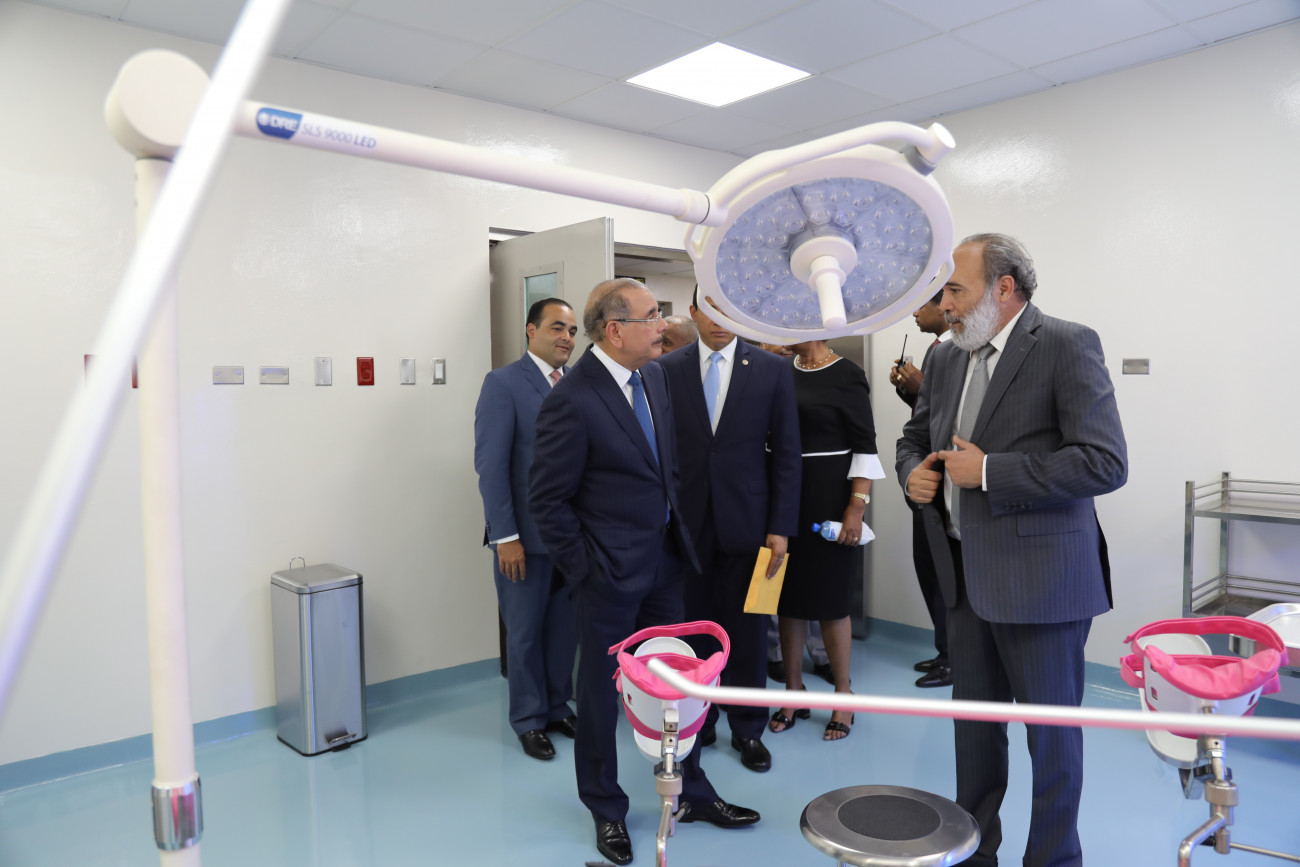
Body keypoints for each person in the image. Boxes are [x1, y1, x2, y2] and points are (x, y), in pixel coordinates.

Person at [896, 233, 1127, 867]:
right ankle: (975, 853)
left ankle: (1053, 858)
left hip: (1043, 583)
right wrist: (913, 475)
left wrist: (991, 472)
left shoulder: (1065, 344)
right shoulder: (947, 358)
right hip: (965, 581)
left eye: (955, 290)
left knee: (1052, 742)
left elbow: (1104, 462)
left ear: (1004, 289)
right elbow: (914, 438)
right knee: (974, 738)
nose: (944, 304)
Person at [529, 278, 759, 867]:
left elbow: (666, 468)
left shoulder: (652, 378)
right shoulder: (572, 398)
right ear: (614, 330)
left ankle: (692, 792)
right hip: (607, 576)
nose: (663, 325)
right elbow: (548, 503)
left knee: (677, 685)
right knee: (600, 696)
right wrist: (587, 571)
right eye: (652, 316)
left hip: (665, 563)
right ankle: (606, 806)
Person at [659, 287, 801, 773]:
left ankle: (748, 728)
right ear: (693, 312)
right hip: (685, 525)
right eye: (710, 309)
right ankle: (699, 719)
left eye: (729, 310)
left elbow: (787, 455)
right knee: (693, 629)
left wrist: (781, 526)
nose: (720, 320)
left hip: (752, 524)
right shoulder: (666, 369)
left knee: (748, 631)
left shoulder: (772, 370)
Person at [473, 298, 579, 760]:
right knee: (525, 633)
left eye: (572, 331)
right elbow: (491, 466)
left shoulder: (576, 382)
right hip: (523, 539)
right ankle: (529, 719)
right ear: (531, 330)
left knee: (563, 632)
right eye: (557, 327)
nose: (566, 338)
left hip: (570, 537)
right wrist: (506, 537)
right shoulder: (503, 384)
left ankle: (557, 706)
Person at [770, 339, 883, 742]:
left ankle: (843, 695)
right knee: (787, 599)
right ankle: (793, 691)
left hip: (830, 497)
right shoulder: (780, 370)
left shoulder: (847, 374)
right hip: (784, 494)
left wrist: (856, 506)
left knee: (832, 601)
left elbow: (865, 445)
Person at [889, 290, 955, 688]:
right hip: (924, 478)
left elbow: (956, 414)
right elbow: (926, 419)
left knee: (944, 574)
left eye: (921, 304)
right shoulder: (936, 351)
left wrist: (922, 383)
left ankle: (953, 658)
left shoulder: (954, 351)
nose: (915, 312)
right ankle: (945, 650)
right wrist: (908, 388)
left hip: (947, 482)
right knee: (928, 569)